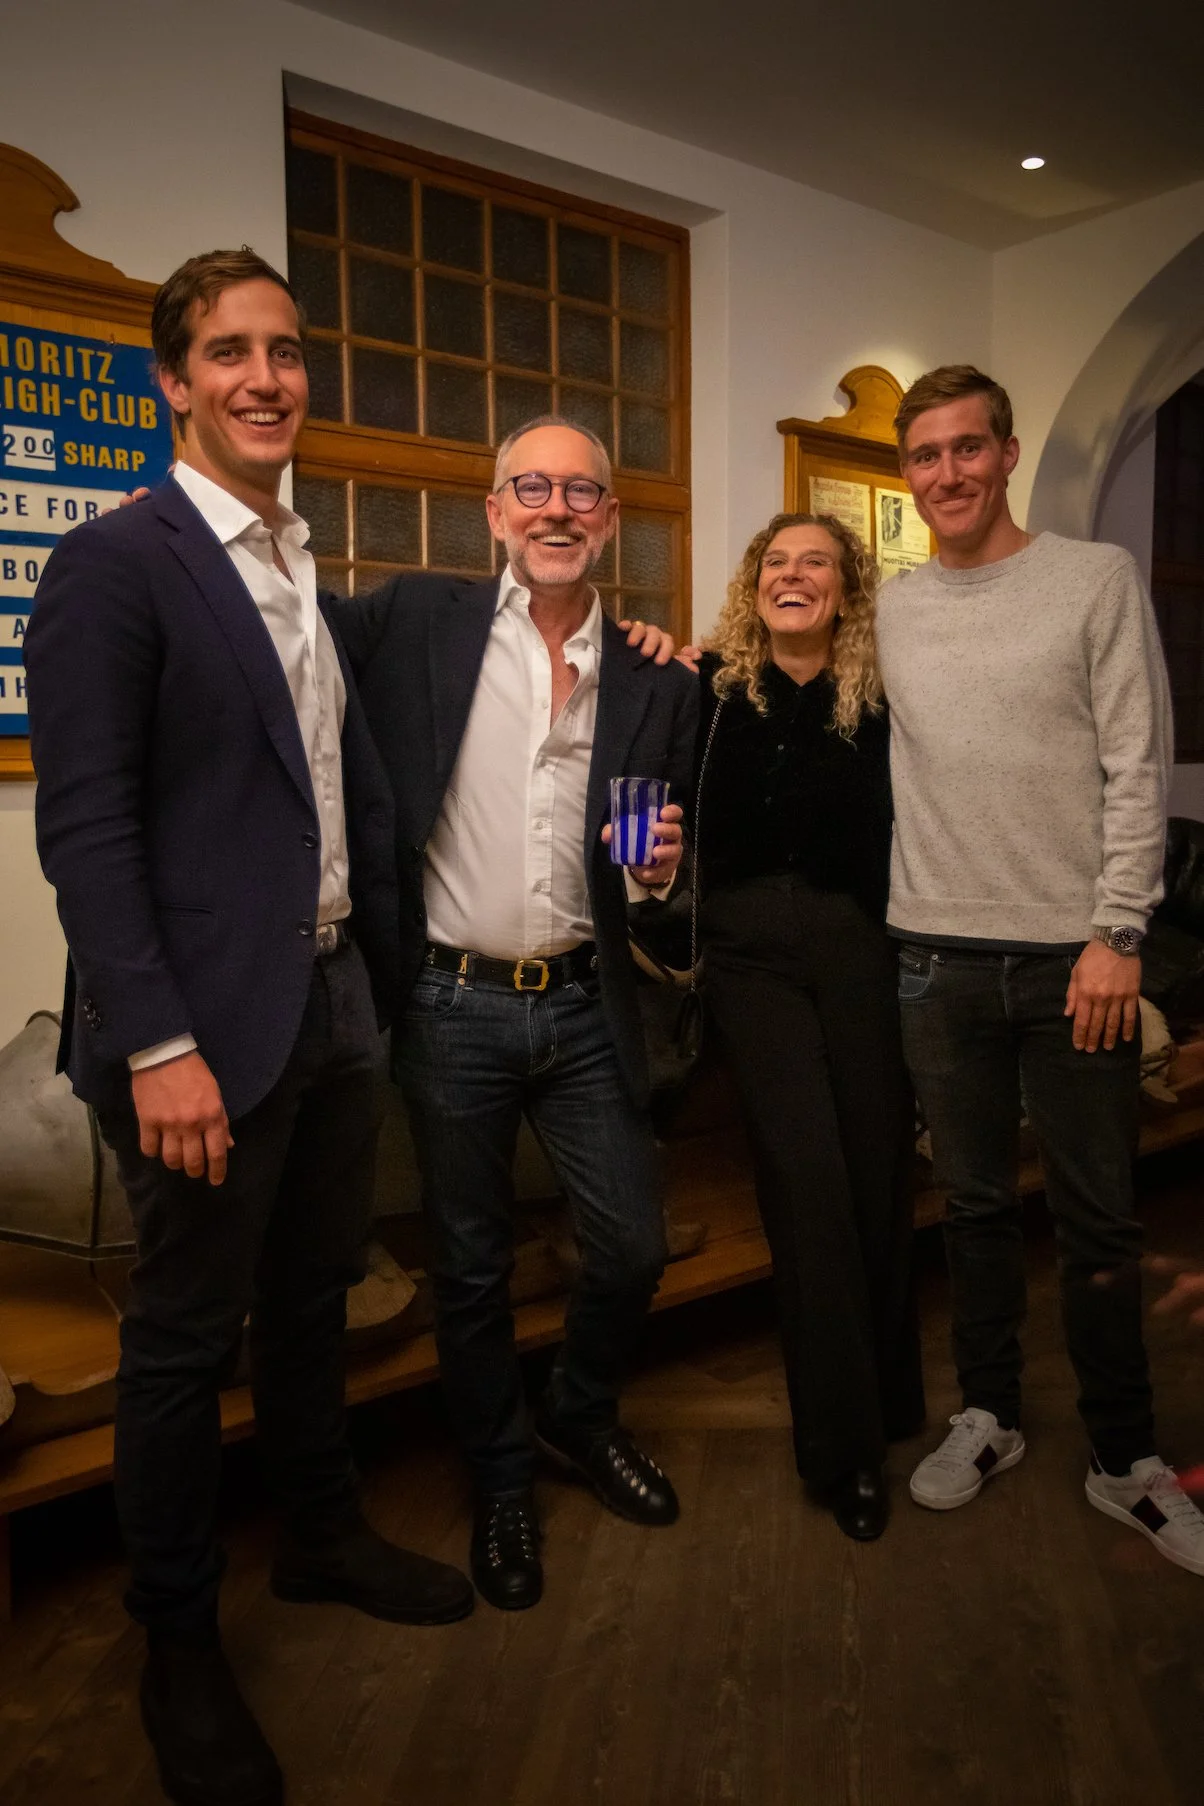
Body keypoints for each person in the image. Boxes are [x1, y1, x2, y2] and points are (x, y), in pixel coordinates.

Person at [23, 249, 474, 1806]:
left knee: (313, 1293)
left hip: (335, 994)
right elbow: (87, 829)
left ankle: (324, 1535)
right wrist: (157, 1044)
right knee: (182, 1334)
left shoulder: (296, 568)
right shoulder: (116, 562)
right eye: (229, 352)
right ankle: (177, 1638)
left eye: (284, 350)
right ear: (173, 381)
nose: (266, 377)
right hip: (199, 1029)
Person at [332, 417, 697, 1611]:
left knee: (633, 1246)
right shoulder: (415, 622)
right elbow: (280, 623)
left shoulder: (654, 675)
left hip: (588, 1001)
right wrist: (171, 533)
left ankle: (576, 1416)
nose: (555, 507)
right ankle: (498, 1476)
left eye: (580, 491)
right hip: (451, 1007)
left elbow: (666, 858)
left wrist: (660, 875)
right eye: (530, 487)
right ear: (494, 513)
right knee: (472, 1267)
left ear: (609, 520)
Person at [881, 363, 1204, 1577]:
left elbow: (1137, 760)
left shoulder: (1093, 578)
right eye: (925, 455)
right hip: (933, 959)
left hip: (1077, 963)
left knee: (1097, 1216)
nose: (947, 472)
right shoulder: (892, 608)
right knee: (969, 1209)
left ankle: (1124, 1457)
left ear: (1006, 454)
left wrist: (1119, 934)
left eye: (967, 447)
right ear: (906, 472)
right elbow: (786, 660)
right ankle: (990, 1413)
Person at [690, 511, 923, 1540]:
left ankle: (892, 1399)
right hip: (748, 958)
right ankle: (845, 1454)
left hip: (863, 947)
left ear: (846, 588)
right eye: (775, 562)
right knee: (807, 1179)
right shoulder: (705, 692)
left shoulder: (887, 693)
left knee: (877, 1170)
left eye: (814, 562)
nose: (792, 575)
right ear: (754, 586)